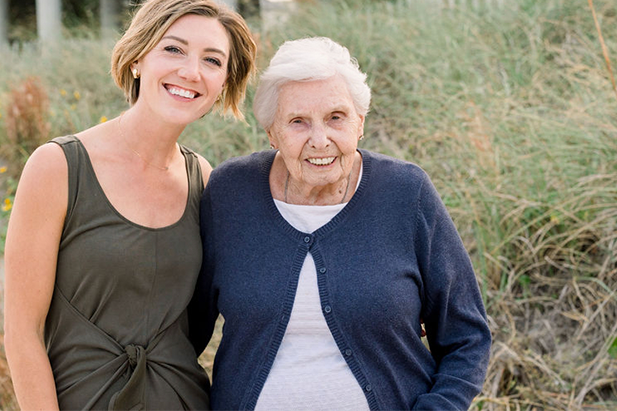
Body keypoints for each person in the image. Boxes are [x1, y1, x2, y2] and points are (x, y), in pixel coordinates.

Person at [190, 37, 491, 410]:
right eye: (298, 122)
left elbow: (467, 337)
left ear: (360, 122)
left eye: (336, 117)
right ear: (272, 133)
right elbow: (185, 332)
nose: (320, 140)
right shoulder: (230, 193)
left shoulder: (405, 193)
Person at [3, 0, 256, 410]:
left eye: (212, 60)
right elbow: (21, 333)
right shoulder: (58, 167)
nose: (192, 71)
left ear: (223, 83)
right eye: (174, 49)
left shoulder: (204, 181)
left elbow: (202, 321)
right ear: (138, 58)